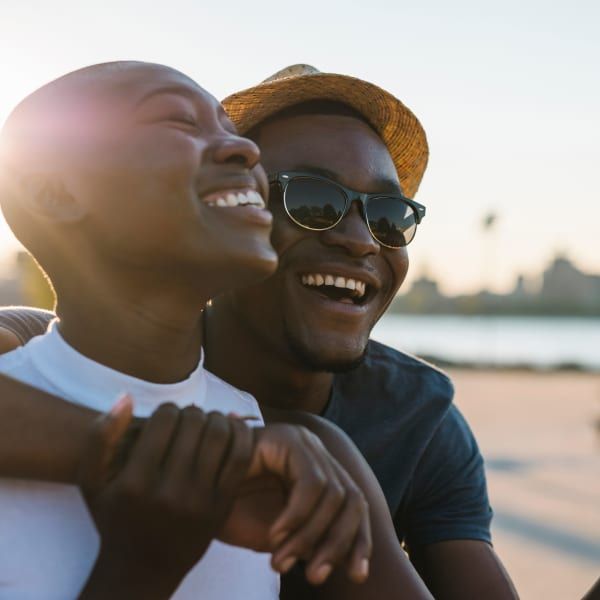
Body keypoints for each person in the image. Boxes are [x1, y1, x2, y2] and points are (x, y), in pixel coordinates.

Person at [0, 64, 518, 598]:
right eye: (312, 199)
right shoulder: (24, 360)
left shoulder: (329, 449)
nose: (363, 241)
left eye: (389, 215)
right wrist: (146, 528)